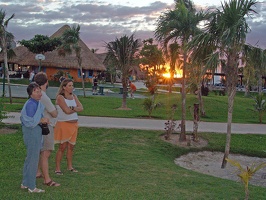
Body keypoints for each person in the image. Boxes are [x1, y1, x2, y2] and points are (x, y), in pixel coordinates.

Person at [20, 82, 49, 193]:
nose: (39, 93)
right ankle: (31, 186)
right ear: (31, 93)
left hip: (34, 132)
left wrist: (43, 120)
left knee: (30, 158)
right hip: (32, 133)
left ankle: (25, 182)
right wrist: (42, 120)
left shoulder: (36, 103)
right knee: (33, 159)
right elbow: (29, 121)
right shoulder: (31, 104)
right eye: (36, 92)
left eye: (39, 91)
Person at [34, 72, 60, 187]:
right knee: (46, 152)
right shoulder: (43, 96)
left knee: (39, 150)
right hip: (46, 127)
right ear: (46, 82)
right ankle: (47, 179)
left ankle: (37, 172)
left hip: (37, 126)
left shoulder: (35, 94)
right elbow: (54, 113)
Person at [54, 79, 83, 175]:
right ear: (64, 87)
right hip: (64, 124)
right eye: (70, 85)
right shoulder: (60, 97)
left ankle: (70, 166)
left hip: (74, 124)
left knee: (71, 147)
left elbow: (81, 108)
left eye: (72, 85)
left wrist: (72, 108)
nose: (72, 87)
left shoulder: (74, 96)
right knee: (62, 147)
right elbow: (66, 111)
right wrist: (75, 109)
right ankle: (57, 168)